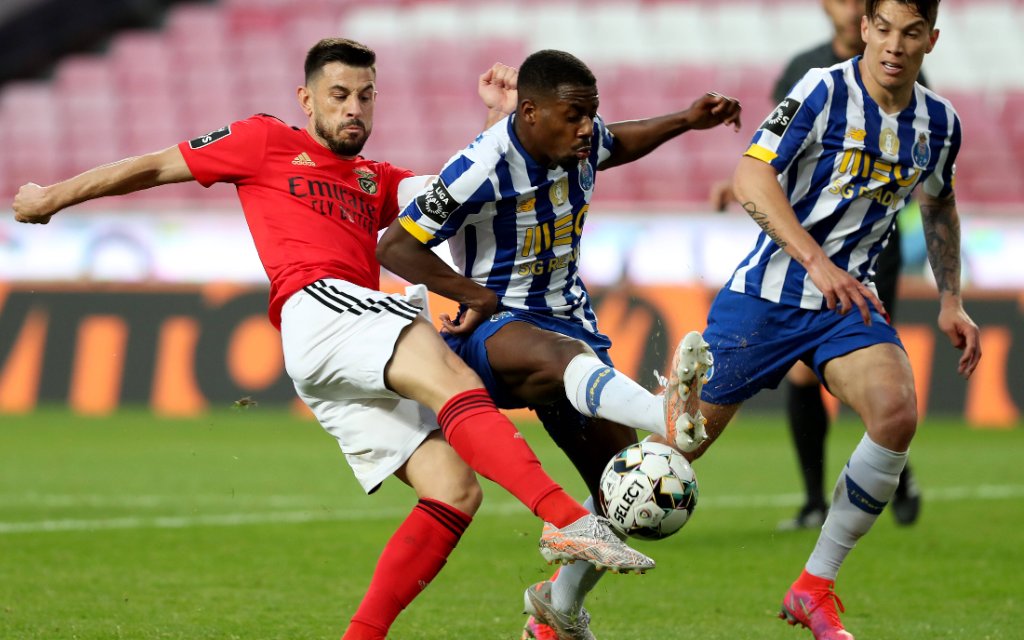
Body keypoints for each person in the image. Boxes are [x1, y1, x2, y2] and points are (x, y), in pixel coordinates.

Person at [11, 38, 658, 640]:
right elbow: (154, 166)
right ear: (307, 100)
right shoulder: (261, 140)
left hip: (337, 351)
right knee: (449, 372)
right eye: (339, 95)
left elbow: (456, 191)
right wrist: (51, 196)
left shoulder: (376, 179)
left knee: (455, 491)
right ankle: (566, 519)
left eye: (365, 96)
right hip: (316, 304)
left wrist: (499, 121)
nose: (354, 109)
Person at [376, 49, 742, 639]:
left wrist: (685, 120)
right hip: (496, 333)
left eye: (590, 116)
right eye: (573, 116)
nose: (585, 128)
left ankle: (557, 610)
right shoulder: (480, 165)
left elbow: (616, 142)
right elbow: (395, 246)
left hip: (568, 324)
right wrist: (472, 292)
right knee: (565, 360)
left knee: (628, 491)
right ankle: (664, 411)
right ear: (529, 114)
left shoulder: (581, 140)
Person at [692, 1, 981, 637]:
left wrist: (950, 298)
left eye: (911, 34)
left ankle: (813, 587)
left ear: (930, 39)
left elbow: (938, 205)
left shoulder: (939, 122)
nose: (894, 46)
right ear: (867, 29)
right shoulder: (822, 89)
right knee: (675, 457)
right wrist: (816, 262)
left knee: (897, 410)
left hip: (847, 304)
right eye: (884, 30)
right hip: (766, 297)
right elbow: (749, 174)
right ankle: (559, 596)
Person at [710, 0, 922, 532]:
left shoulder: (914, 84)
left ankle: (891, 467)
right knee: (806, 380)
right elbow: (771, 158)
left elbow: (924, 167)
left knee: (874, 387)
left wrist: (951, 296)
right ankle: (816, 496)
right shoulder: (808, 75)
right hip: (798, 265)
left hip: (872, 259)